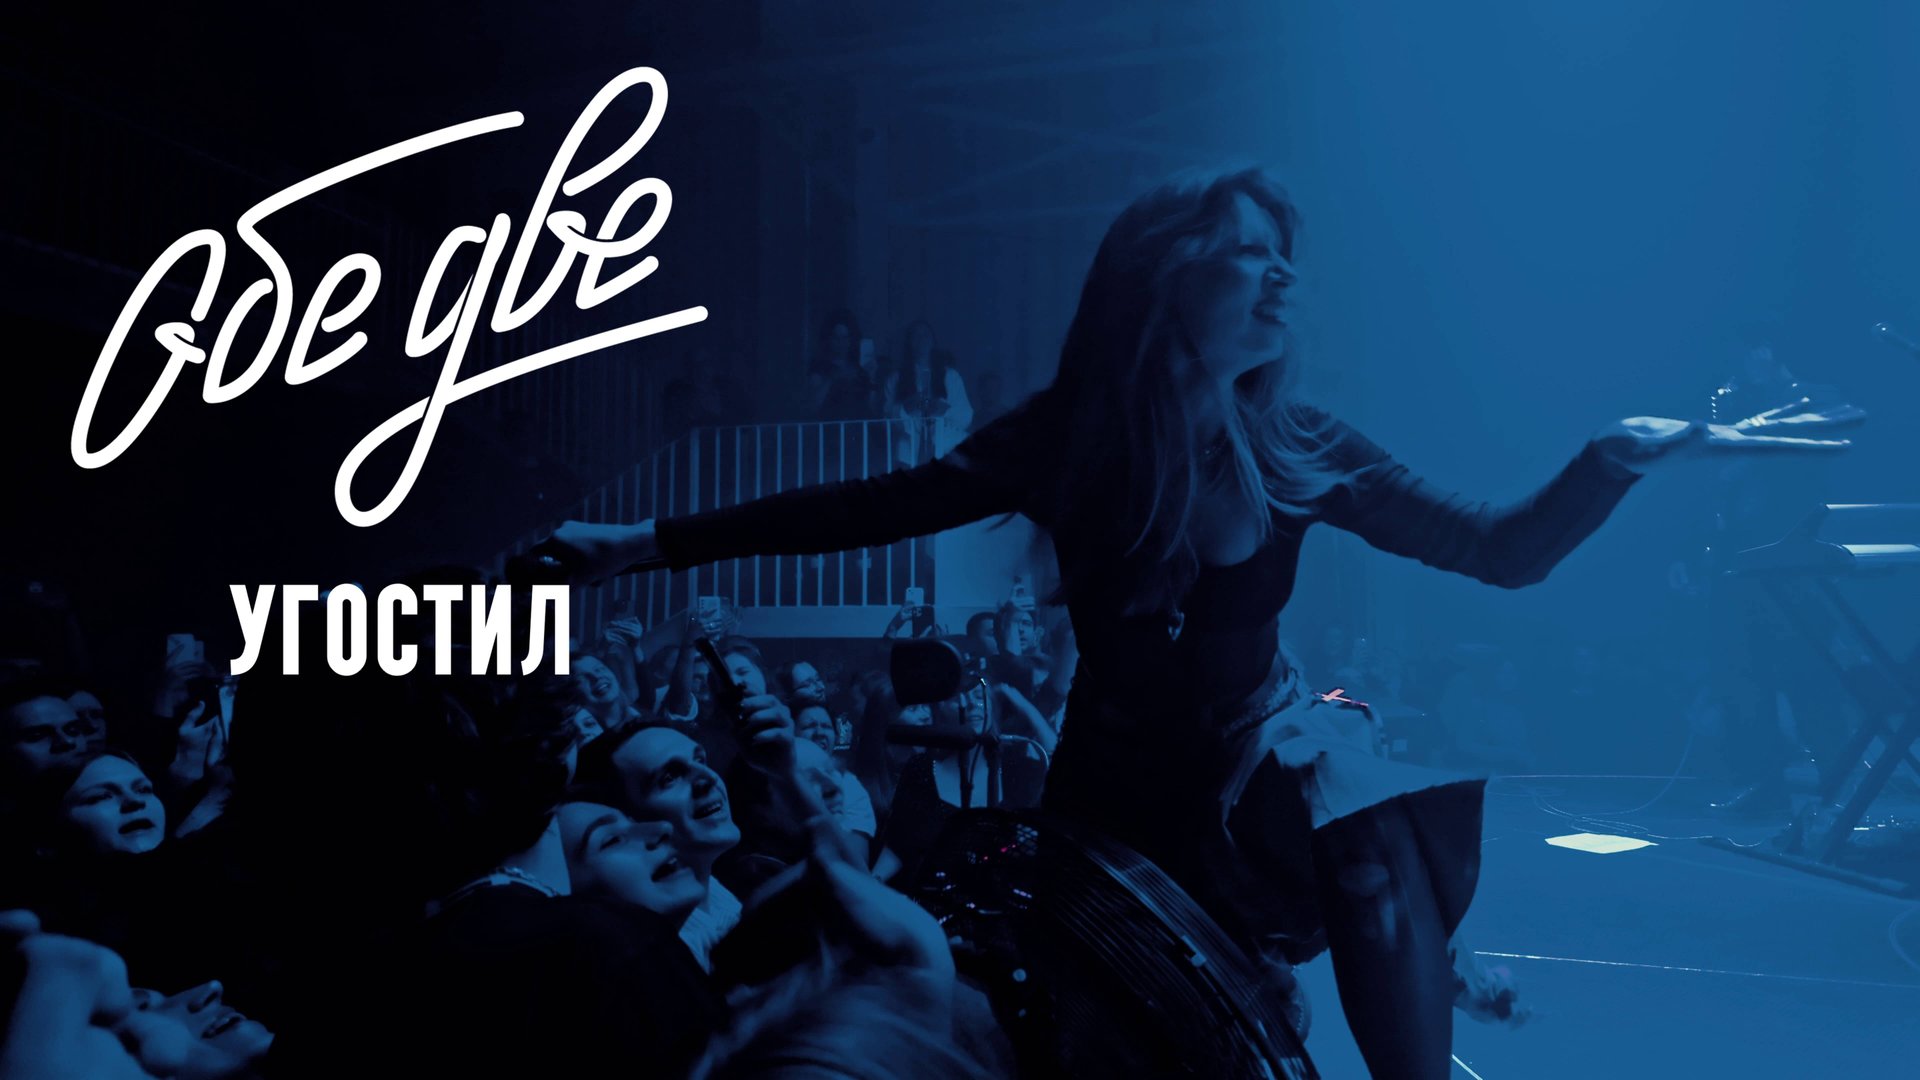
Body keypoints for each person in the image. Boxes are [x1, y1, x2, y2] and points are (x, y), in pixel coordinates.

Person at [537, 166, 1840, 1078]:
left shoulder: (1305, 446)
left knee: (1359, 801)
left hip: (1254, 784)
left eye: (1286, 259)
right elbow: (865, 508)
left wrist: (1613, 460)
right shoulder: (1068, 438)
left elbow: (1504, 551)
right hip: (1113, 808)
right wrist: (642, 543)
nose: (1282, 279)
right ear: (1168, 278)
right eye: (1248, 254)